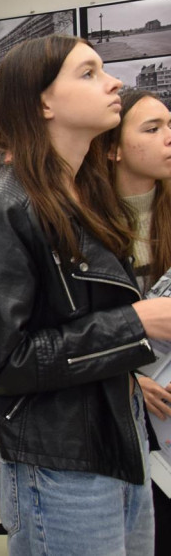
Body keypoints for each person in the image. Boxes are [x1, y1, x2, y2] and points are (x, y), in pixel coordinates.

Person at [0, 35, 170, 555]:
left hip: (119, 441)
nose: (113, 81)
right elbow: (2, 363)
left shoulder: (84, 197)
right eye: (88, 72)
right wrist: (137, 324)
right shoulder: (4, 207)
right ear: (43, 102)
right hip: (60, 462)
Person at [101, 89, 171, 555]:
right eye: (153, 128)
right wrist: (124, 375)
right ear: (113, 148)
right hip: (120, 418)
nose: (169, 137)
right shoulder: (85, 227)